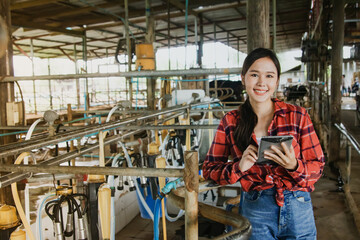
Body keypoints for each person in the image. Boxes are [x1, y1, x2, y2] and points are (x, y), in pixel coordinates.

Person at [202, 48, 325, 240]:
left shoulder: (298, 116)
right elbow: (209, 169)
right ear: (243, 78)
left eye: (269, 76)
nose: (261, 83)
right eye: (254, 75)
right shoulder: (231, 121)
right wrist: (238, 167)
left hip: (298, 204)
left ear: (276, 81)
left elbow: (317, 166)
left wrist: (294, 166)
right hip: (256, 207)